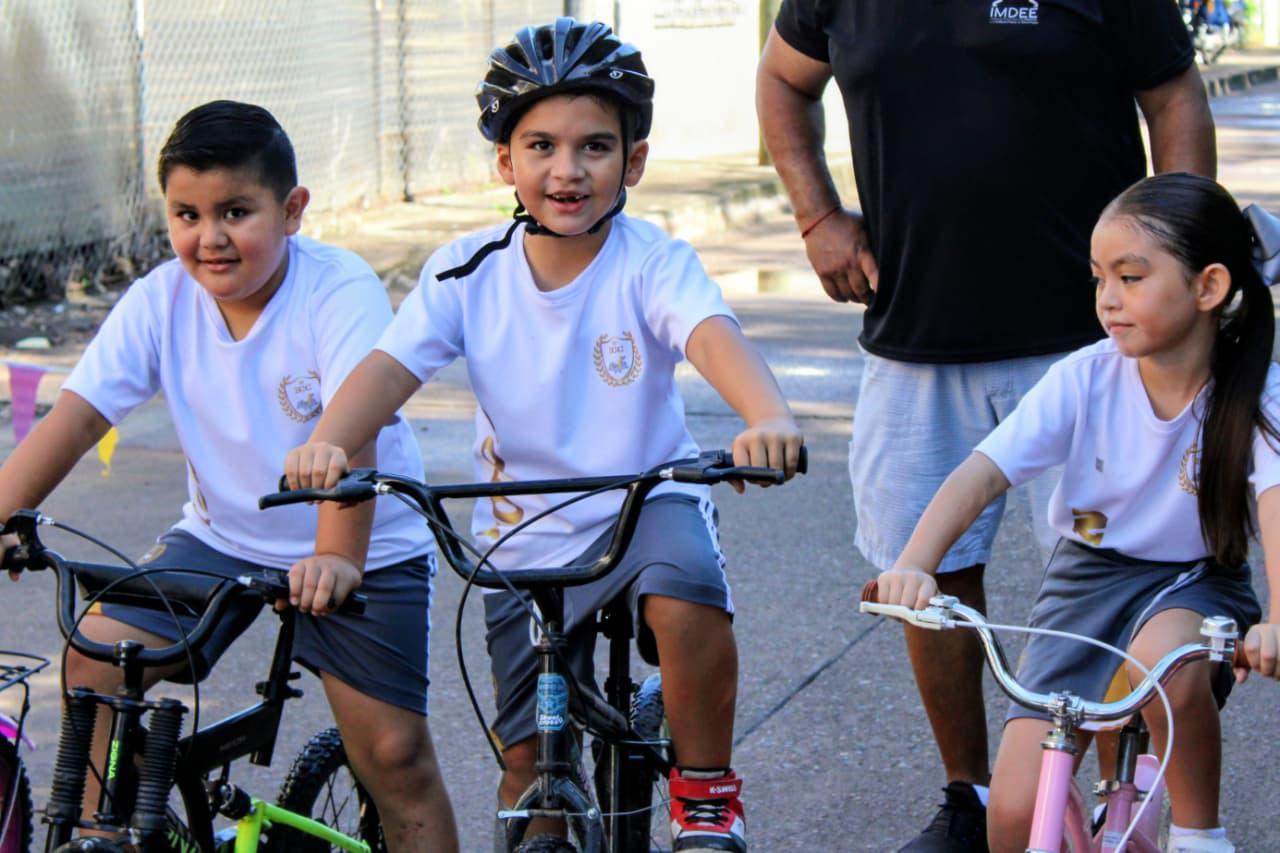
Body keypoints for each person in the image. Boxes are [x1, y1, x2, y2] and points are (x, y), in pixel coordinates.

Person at [283, 18, 803, 853]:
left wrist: (766, 416)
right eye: (541, 146)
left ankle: (706, 791)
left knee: (686, 590)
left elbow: (713, 337)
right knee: (527, 765)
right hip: (521, 526)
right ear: (505, 162)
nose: (568, 170)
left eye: (595, 147)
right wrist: (333, 441)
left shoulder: (651, 262)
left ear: (633, 161)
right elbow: (386, 370)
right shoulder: (465, 270)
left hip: (645, 499)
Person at [755, 4, 1217, 848]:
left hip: (1092, 340)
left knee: (1113, 573)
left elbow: (1173, 95)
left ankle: (1112, 797)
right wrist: (817, 215)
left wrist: (1181, 270)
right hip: (914, 326)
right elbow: (783, 79)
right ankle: (969, 796)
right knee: (929, 573)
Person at [0, 101, 459, 852]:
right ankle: (93, 838)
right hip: (220, 539)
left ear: (292, 210)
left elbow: (358, 427)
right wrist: (3, 513)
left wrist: (338, 555)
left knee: (393, 756)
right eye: (187, 215)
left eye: (236, 213)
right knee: (94, 659)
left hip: (361, 544)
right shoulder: (162, 298)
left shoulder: (335, 288)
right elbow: (76, 418)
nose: (209, 237)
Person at [875, 172, 1280, 853]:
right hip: (1084, 581)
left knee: (1163, 662)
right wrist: (915, 564)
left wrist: (1277, 620)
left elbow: (1275, 502)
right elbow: (983, 470)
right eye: (1099, 279)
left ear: (1208, 287)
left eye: (1131, 277)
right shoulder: (1086, 376)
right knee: (1012, 820)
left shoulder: (1257, 389)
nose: (1108, 299)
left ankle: (1199, 833)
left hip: (1194, 579)